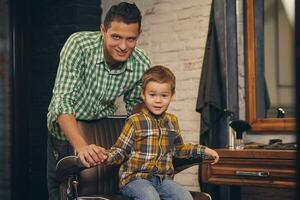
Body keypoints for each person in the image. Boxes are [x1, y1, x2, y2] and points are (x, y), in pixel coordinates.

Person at [46, 2, 150, 199]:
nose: (123, 46)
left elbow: (135, 108)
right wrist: (81, 146)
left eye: (131, 39)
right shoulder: (79, 45)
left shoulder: (141, 61)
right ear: (103, 30)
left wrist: (144, 140)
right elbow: (62, 100)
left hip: (98, 129)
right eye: (116, 37)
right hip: (65, 128)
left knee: (100, 190)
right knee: (62, 193)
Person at [104, 65, 219, 200]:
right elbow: (120, 151)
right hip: (135, 180)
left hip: (162, 180)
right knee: (151, 198)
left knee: (185, 197)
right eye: (152, 95)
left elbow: (179, 149)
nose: (158, 100)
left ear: (172, 95)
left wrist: (203, 150)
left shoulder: (172, 121)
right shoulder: (135, 121)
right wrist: (105, 156)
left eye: (164, 95)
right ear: (143, 94)